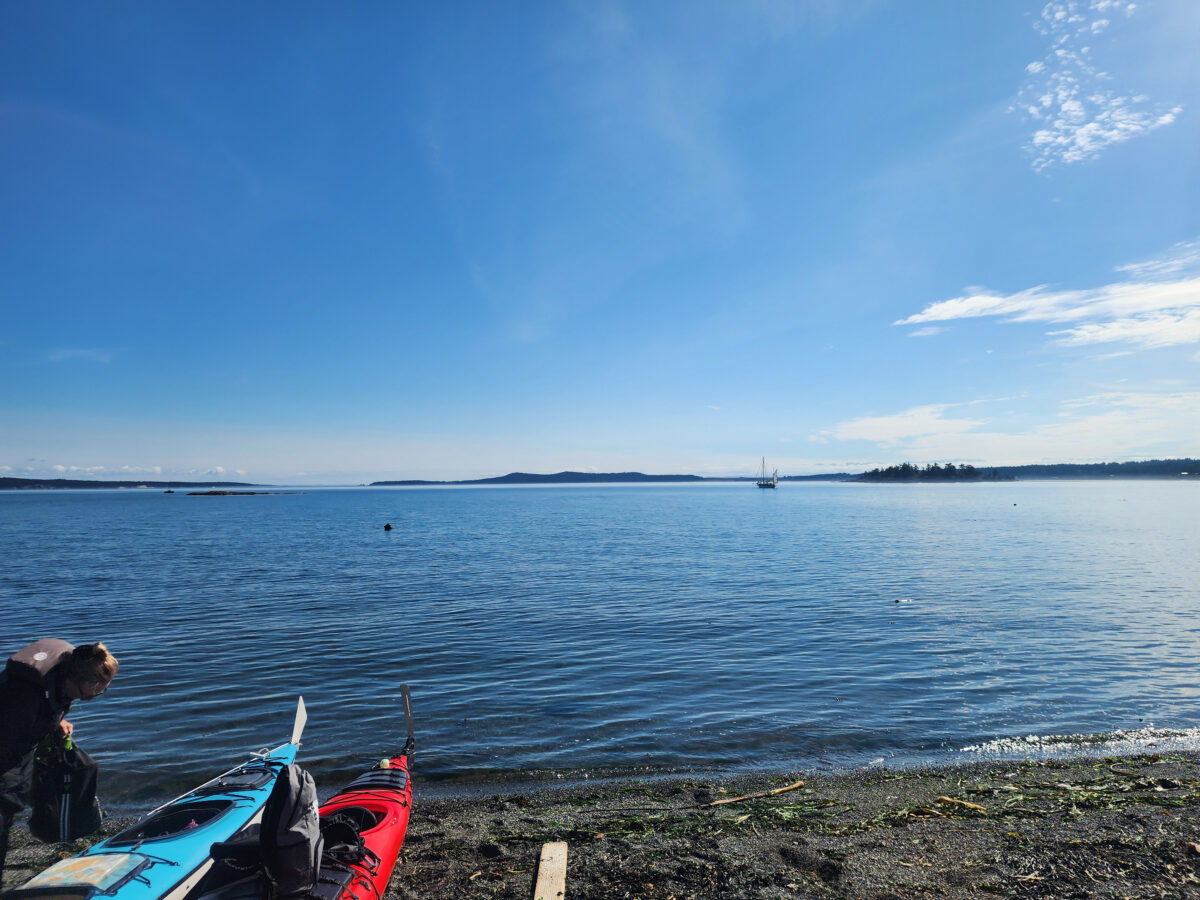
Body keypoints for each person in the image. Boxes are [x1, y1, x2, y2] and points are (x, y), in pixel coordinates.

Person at [0, 640, 118, 882]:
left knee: (10, 812)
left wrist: (54, 724)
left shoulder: (61, 680)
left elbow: (46, 709)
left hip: (15, 752)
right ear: (90, 684)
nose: (97, 696)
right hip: (5, 756)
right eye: (99, 690)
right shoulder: (25, 699)